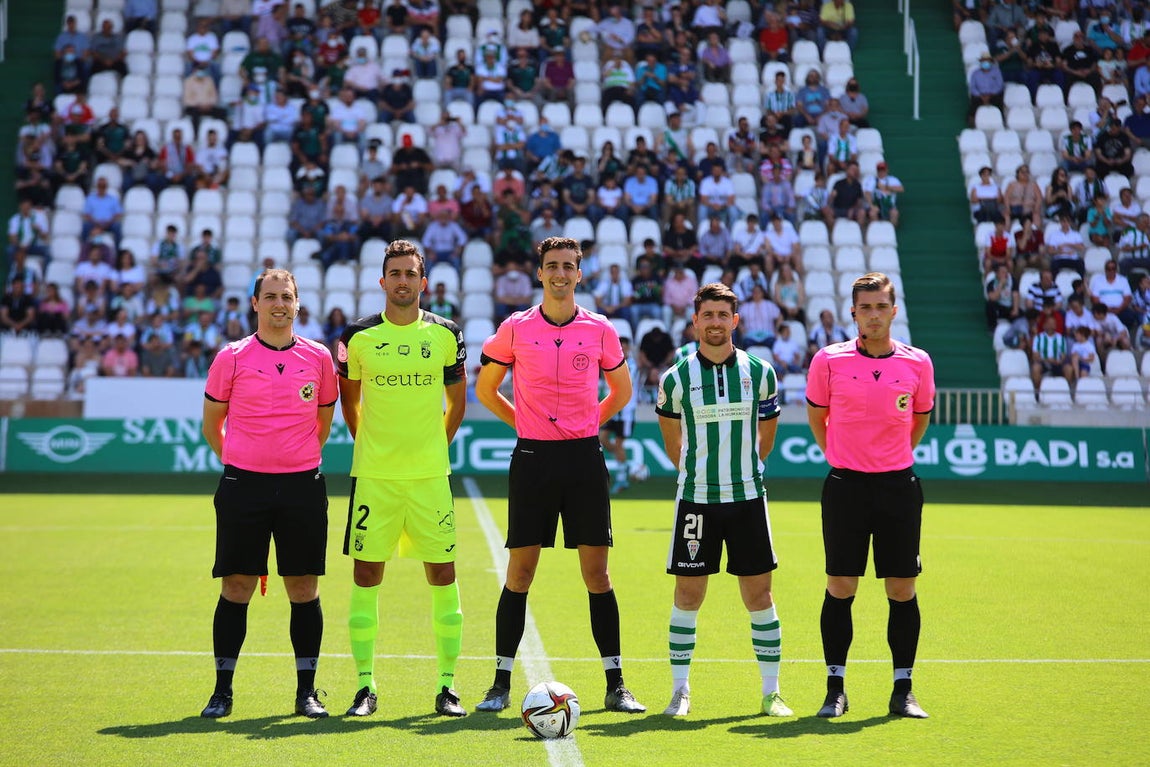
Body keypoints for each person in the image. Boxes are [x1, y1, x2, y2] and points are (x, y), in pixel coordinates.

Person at [473, 236, 646, 715]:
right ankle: (499, 684)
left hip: (583, 459)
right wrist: (523, 423)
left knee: (597, 574)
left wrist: (588, 422)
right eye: (552, 265)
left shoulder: (600, 328)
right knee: (520, 572)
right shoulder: (515, 327)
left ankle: (616, 684)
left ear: (579, 274)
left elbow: (622, 390)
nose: (560, 274)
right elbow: (485, 389)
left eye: (569, 266)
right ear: (540, 272)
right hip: (533, 459)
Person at [335, 240, 468, 718]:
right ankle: (364, 686)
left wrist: (433, 448)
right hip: (375, 478)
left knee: (443, 574)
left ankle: (447, 686)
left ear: (423, 281)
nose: (403, 281)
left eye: (411, 273)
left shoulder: (447, 334)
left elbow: (457, 403)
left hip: (430, 477)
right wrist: (371, 445)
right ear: (382, 281)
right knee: (366, 574)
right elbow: (349, 401)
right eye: (395, 273)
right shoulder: (358, 337)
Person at [199, 268, 338, 720]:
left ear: (297, 304)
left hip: (302, 485)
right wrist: (242, 462)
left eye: (287, 297)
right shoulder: (232, 357)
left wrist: (293, 458)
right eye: (271, 297)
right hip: (244, 486)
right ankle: (222, 692)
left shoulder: (319, 358)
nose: (280, 304)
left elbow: (322, 424)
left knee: (303, 587)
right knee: (236, 585)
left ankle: (307, 692)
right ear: (255, 303)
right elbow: (212, 425)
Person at [654, 282, 790, 718]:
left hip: (748, 498)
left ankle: (771, 693)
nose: (715, 322)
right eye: (707, 315)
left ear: (736, 321)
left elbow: (766, 437)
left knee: (760, 596)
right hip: (696, 501)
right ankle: (680, 690)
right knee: (687, 594)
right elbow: (672, 442)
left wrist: (745, 469)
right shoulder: (676, 378)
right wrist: (698, 472)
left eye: (722, 315)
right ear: (695, 321)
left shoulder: (761, 372)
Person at [806, 272, 936, 720]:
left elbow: (919, 419)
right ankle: (835, 690)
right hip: (845, 487)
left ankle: (903, 690)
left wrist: (891, 457)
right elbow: (817, 415)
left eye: (881, 307)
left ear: (893, 311)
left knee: (901, 588)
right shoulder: (829, 360)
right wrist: (839, 456)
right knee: (841, 587)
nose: (874, 315)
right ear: (854, 313)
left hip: (898, 487)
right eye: (866, 308)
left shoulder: (918, 362)